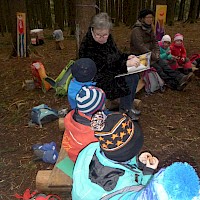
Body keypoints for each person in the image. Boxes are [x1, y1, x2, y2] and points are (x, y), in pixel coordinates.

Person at [72, 112, 159, 199]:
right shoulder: (125, 186)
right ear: (129, 152)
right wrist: (148, 174)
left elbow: (116, 158)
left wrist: (136, 162)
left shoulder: (90, 150)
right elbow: (143, 195)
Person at [79, 12, 141, 121]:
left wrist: (127, 57)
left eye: (105, 35)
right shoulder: (88, 45)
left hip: (111, 71)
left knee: (134, 75)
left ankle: (128, 106)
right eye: (98, 35)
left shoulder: (109, 39)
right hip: (98, 79)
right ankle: (125, 110)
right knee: (129, 78)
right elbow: (103, 66)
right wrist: (125, 64)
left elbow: (116, 54)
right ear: (92, 30)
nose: (102, 38)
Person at [130, 9, 193, 91]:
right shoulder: (136, 30)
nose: (150, 19)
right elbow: (140, 46)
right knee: (159, 69)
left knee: (164, 64)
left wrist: (156, 53)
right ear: (142, 18)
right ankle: (175, 85)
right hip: (139, 58)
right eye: (148, 17)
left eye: (151, 17)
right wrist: (153, 55)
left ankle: (180, 77)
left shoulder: (150, 28)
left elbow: (155, 42)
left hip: (151, 55)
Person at [62, 85, 106, 163]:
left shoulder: (71, 116)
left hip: (73, 151)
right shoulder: (93, 133)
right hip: (83, 160)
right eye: (103, 103)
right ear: (97, 110)